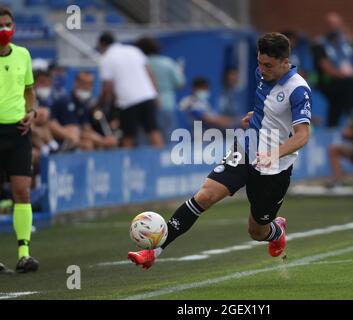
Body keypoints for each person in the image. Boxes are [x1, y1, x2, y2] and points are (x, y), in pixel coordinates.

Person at [128, 32, 312, 270]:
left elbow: (302, 135)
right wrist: (255, 117)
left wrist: (273, 154)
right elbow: (266, 106)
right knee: (204, 196)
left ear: (285, 62)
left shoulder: (298, 90)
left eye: (268, 65)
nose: (262, 69)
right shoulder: (261, 74)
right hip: (245, 150)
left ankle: (276, 231)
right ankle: (152, 252)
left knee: (257, 231)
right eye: (259, 62)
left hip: (274, 167)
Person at [0, 7, 39, 273]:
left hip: (18, 132)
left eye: (8, 24)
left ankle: (24, 253)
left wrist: (32, 112)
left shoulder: (23, 54)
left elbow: (29, 91)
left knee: (22, 192)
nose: (5, 30)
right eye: (0, 25)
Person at [97, 31, 164, 148]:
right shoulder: (134, 50)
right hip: (147, 96)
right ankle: (162, 159)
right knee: (153, 131)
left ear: (102, 44)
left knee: (128, 136)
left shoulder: (106, 58)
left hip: (128, 101)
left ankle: (126, 164)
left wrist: (100, 103)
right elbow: (150, 74)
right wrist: (156, 95)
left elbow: (107, 87)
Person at [312, 12, 353, 128]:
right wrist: (345, 75)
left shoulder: (345, 43)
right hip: (326, 81)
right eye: (331, 24)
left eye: (337, 24)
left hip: (343, 82)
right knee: (348, 86)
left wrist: (352, 42)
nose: (334, 27)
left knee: (339, 100)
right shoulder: (320, 44)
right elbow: (325, 66)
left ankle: (334, 125)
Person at [50, 71, 118, 151]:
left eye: (89, 84)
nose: (86, 87)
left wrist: (106, 140)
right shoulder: (65, 101)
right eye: (83, 83)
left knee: (91, 143)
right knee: (87, 144)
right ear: (76, 83)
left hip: (77, 139)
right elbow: (77, 131)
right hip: (62, 142)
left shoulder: (85, 104)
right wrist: (103, 141)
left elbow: (87, 129)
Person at [135, 37, 185, 143]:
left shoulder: (139, 64)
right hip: (166, 105)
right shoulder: (168, 63)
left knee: (146, 141)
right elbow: (180, 84)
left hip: (145, 106)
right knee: (169, 140)